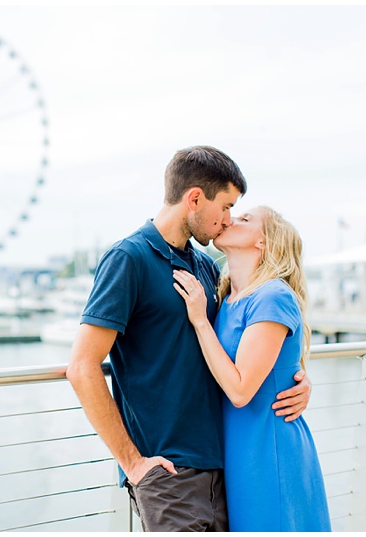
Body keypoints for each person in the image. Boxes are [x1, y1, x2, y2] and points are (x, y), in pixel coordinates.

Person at [66, 146, 312, 532]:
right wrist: (132, 463)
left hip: (224, 466)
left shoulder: (204, 267)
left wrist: (295, 380)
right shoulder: (128, 258)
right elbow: (81, 367)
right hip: (168, 472)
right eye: (226, 207)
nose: (228, 220)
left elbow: (237, 348)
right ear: (195, 198)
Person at [172, 205, 331, 531]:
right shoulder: (227, 296)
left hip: (269, 453)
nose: (230, 219)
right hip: (237, 453)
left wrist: (200, 320)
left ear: (264, 242)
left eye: (245, 219)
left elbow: (241, 389)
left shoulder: (272, 296)